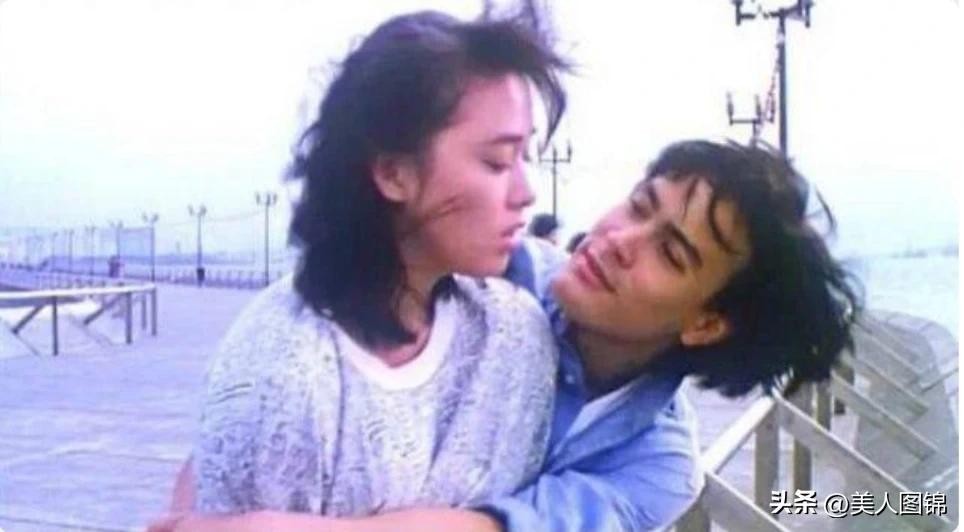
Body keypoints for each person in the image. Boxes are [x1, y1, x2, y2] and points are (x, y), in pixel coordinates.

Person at [153, 139, 859, 531]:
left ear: (705, 322)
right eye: (639, 205)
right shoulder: (492, 269)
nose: (619, 239)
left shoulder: (655, 466)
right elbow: (293, 361)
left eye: (670, 253)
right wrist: (198, 509)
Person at [149, 8, 570, 530]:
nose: (526, 192)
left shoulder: (515, 330)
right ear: (393, 173)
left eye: (528, 156)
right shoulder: (282, 375)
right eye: (497, 162)